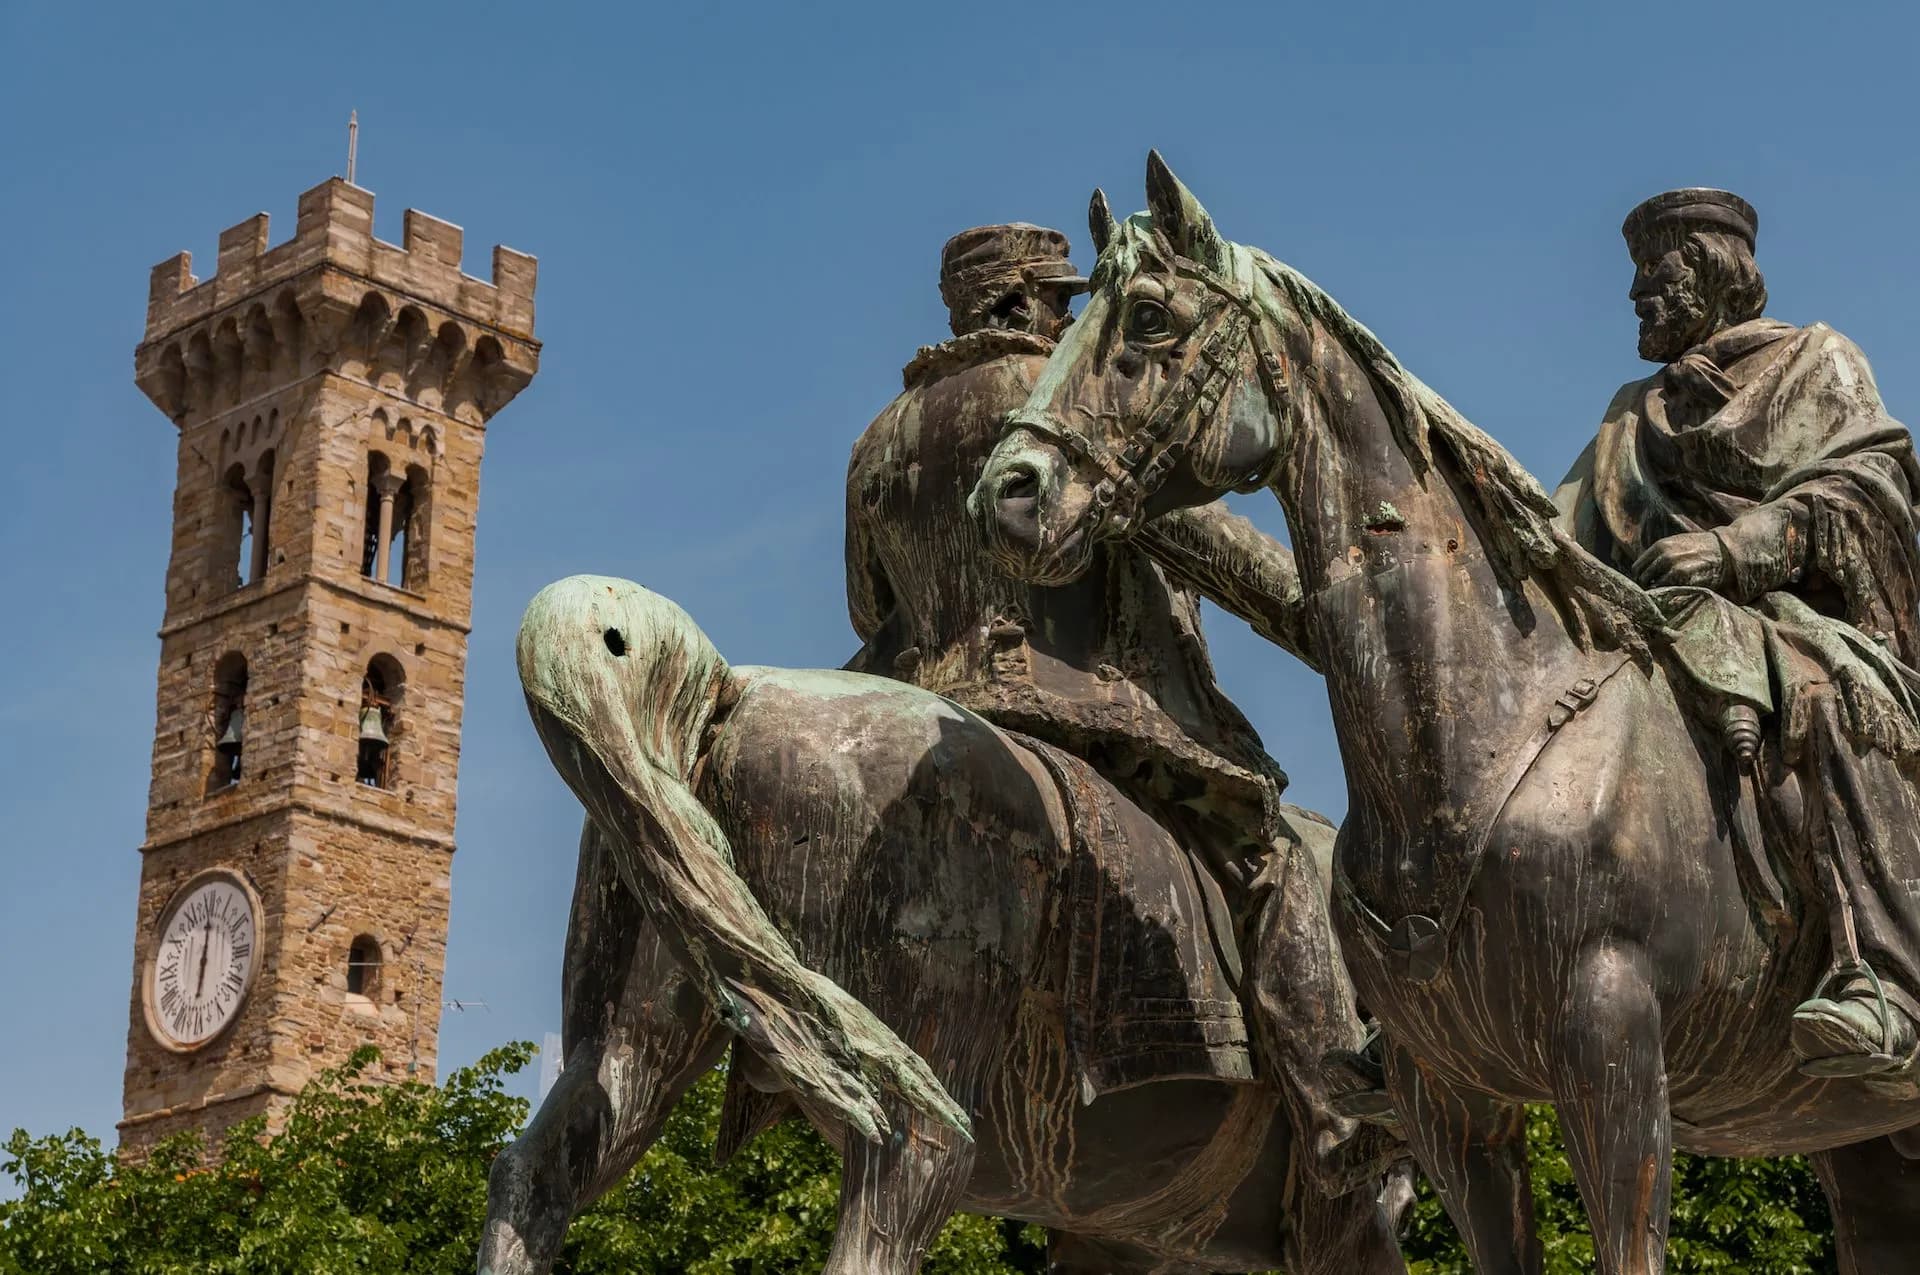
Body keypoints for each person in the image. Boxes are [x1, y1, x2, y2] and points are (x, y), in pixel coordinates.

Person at [846, 222, 1387, 1188]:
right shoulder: (1058, 411)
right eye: (1059, 301)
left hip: (926, 713)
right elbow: (1223, 559)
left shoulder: (877, 442)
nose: (1072, 320)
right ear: (1017, 304)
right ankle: (1338, 1114)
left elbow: (869, 608)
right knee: (1277, 864)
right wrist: (1340, 630)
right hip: (1081, 712)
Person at [1556, 189, 1920, 1076]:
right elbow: (1556, 533)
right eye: (1635, 275)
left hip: (1794, 621)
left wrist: (1735, 548)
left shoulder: (1816, 361)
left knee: (1828, 703)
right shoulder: (1628, 411)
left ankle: (1888, 975)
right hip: (1651, 628)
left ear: (1714, 273)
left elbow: (1869, 492)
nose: (1636, 294)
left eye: (1656, 272)